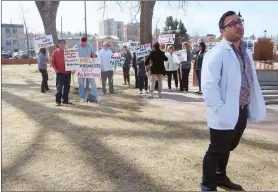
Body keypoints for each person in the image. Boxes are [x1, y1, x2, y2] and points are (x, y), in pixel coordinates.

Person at [200, 11, 266, 191]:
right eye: (232, 24)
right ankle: (207, 185)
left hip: (241, 109)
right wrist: (220, 110)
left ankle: (221, 177)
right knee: (216, 149)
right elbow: (208, 85)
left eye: (239, 22)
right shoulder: (217, 53)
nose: (238, 25)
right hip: (225, 111)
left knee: (229, 146)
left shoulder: (245, 51)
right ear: (222, 31)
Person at [73, 36, 101, 103]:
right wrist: (73, 68)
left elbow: (93, 55)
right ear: (80, 41)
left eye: (84, 43)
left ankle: (96, 96)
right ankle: (82, 97)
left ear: (86, 41)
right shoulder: (76, 46)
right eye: (82, 43)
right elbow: (72, 57)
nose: (83, 44)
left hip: (89, 68)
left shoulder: (90, 46)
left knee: (93, 84)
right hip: (80, 69)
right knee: (81, 84)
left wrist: (96, 64)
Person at [52, 39, 73, 106]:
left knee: (67, 87)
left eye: (63, 43)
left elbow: (73, 61)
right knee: (59, 88)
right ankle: (58, 101)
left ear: (65, 44)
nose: (62, 44)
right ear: (58, 44)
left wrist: (73, 69)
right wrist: (55, 69)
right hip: (60, 73)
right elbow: (53, 62)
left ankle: (65, 100)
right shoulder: (55, 52)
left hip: (68, 73)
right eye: (60, 43)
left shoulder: (69, 52)